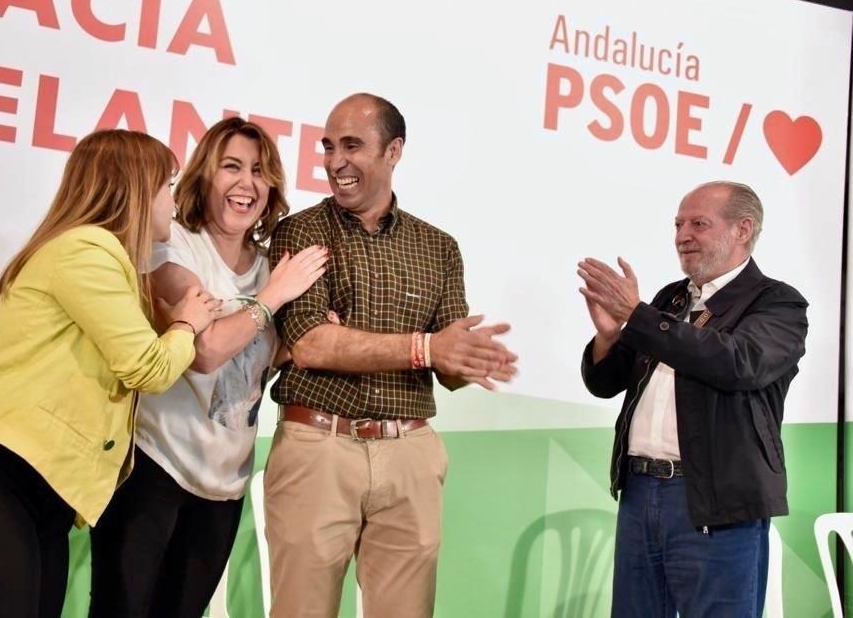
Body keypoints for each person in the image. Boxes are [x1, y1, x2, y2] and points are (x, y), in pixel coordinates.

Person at [0, 130, 220, 618]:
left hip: (30, 488)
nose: (172, 202)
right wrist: (185, 324)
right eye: (166, 185)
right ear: (135, 189)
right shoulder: (87, 251)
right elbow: (148, 368)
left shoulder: (102, 259)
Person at [264, 93, 518, 617]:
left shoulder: (439, 247)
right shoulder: (302, 231)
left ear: (393, 150)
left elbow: (449, 368)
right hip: (317, 446)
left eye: (351, 145)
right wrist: (427, 348)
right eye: (329, 147)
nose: (336, 162)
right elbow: (311, 343)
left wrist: (471, 358)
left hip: (410, 453)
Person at [88, 117, 328, 617]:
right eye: (232, 167)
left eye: (260, 171)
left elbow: (251, 361)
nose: (247, 183)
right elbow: (204, 352)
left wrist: (301, 339)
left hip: (224, 485)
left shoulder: (268, 264)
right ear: (204, 177)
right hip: (153, 470)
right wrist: (275, 297)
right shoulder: (170, 243)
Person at [577, 181, 808, 617]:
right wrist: (609, 336)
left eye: (698, 224)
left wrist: (638, 316)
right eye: (678, 224)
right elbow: (606, 381)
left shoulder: (778, 303)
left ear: (743, 229)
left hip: (716, 502)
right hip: (641, 491)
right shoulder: (671, 298)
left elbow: (738, 363)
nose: (683, 235)